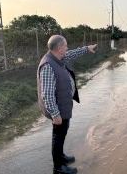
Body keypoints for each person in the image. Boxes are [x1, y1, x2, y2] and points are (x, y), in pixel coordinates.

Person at [37, 35, 97, 174]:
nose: (67, 48)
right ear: (59, 48)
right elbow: (47, 94)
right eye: (65, 45)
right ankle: (58, 167)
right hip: (58, 109)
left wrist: (87, 49)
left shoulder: (58, 57)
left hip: (63, 105)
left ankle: (61, 157)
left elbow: (71, 53)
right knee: (58, 136)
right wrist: (55, 114)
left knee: (62, 133)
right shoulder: (48, 65)